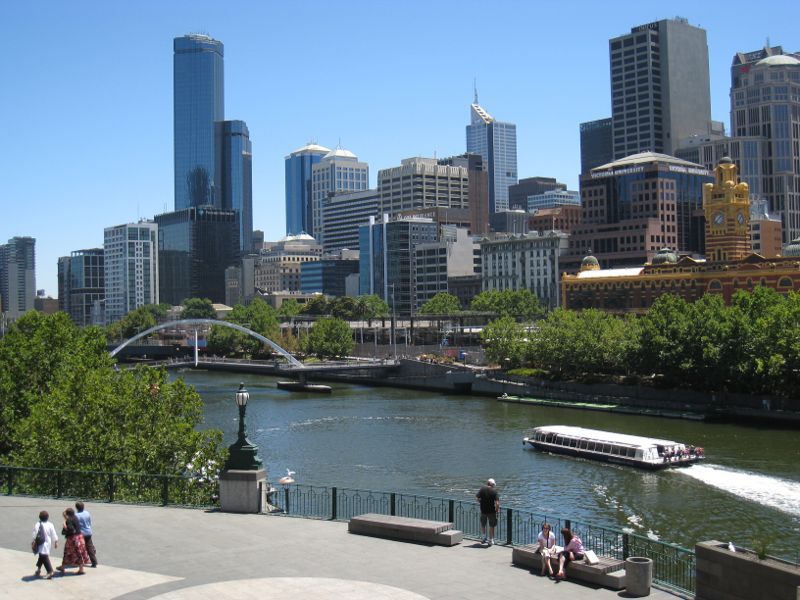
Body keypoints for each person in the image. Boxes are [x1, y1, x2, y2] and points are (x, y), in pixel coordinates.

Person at [57, 507, 89, 575]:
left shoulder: (69, 520)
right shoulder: (75, 517)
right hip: (80, 537)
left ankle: (64, 567)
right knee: (79, 553)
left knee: (67, 552)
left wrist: (65, 525)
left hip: (73, 539)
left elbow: (71, 530)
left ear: (67, 514)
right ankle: (80, 569)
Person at [32, 510, 58, 579]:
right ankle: (38, 569)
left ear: (39, 517)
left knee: (44, 556)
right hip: (47, 543)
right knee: (41, 556)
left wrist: (33, 541)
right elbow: (53, 534)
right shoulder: (50, 524)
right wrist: (55, 542)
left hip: (40, 543)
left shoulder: (38, 524)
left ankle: (50, 571)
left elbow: (34, 534)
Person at [475, 478, 499, 546]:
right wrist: (497, 510)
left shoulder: (482, 489)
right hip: (491, 511)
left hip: (483, 510)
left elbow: (476, 497)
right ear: (492, 484)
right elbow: (497, 503)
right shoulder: (494, 491)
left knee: (483, 524)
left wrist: (481, 502)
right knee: (491, 525)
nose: (494, 486)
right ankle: (491, 540)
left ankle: (483, 538)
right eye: (494, 485)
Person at [75, 501, 97, 568]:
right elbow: (89, 522)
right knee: (89, 547)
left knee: (79, 548)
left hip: (81, 533)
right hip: (88, 532)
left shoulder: (76, 515)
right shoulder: (87, 513)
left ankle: (79, 561)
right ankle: (94, 562)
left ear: (76, 508)